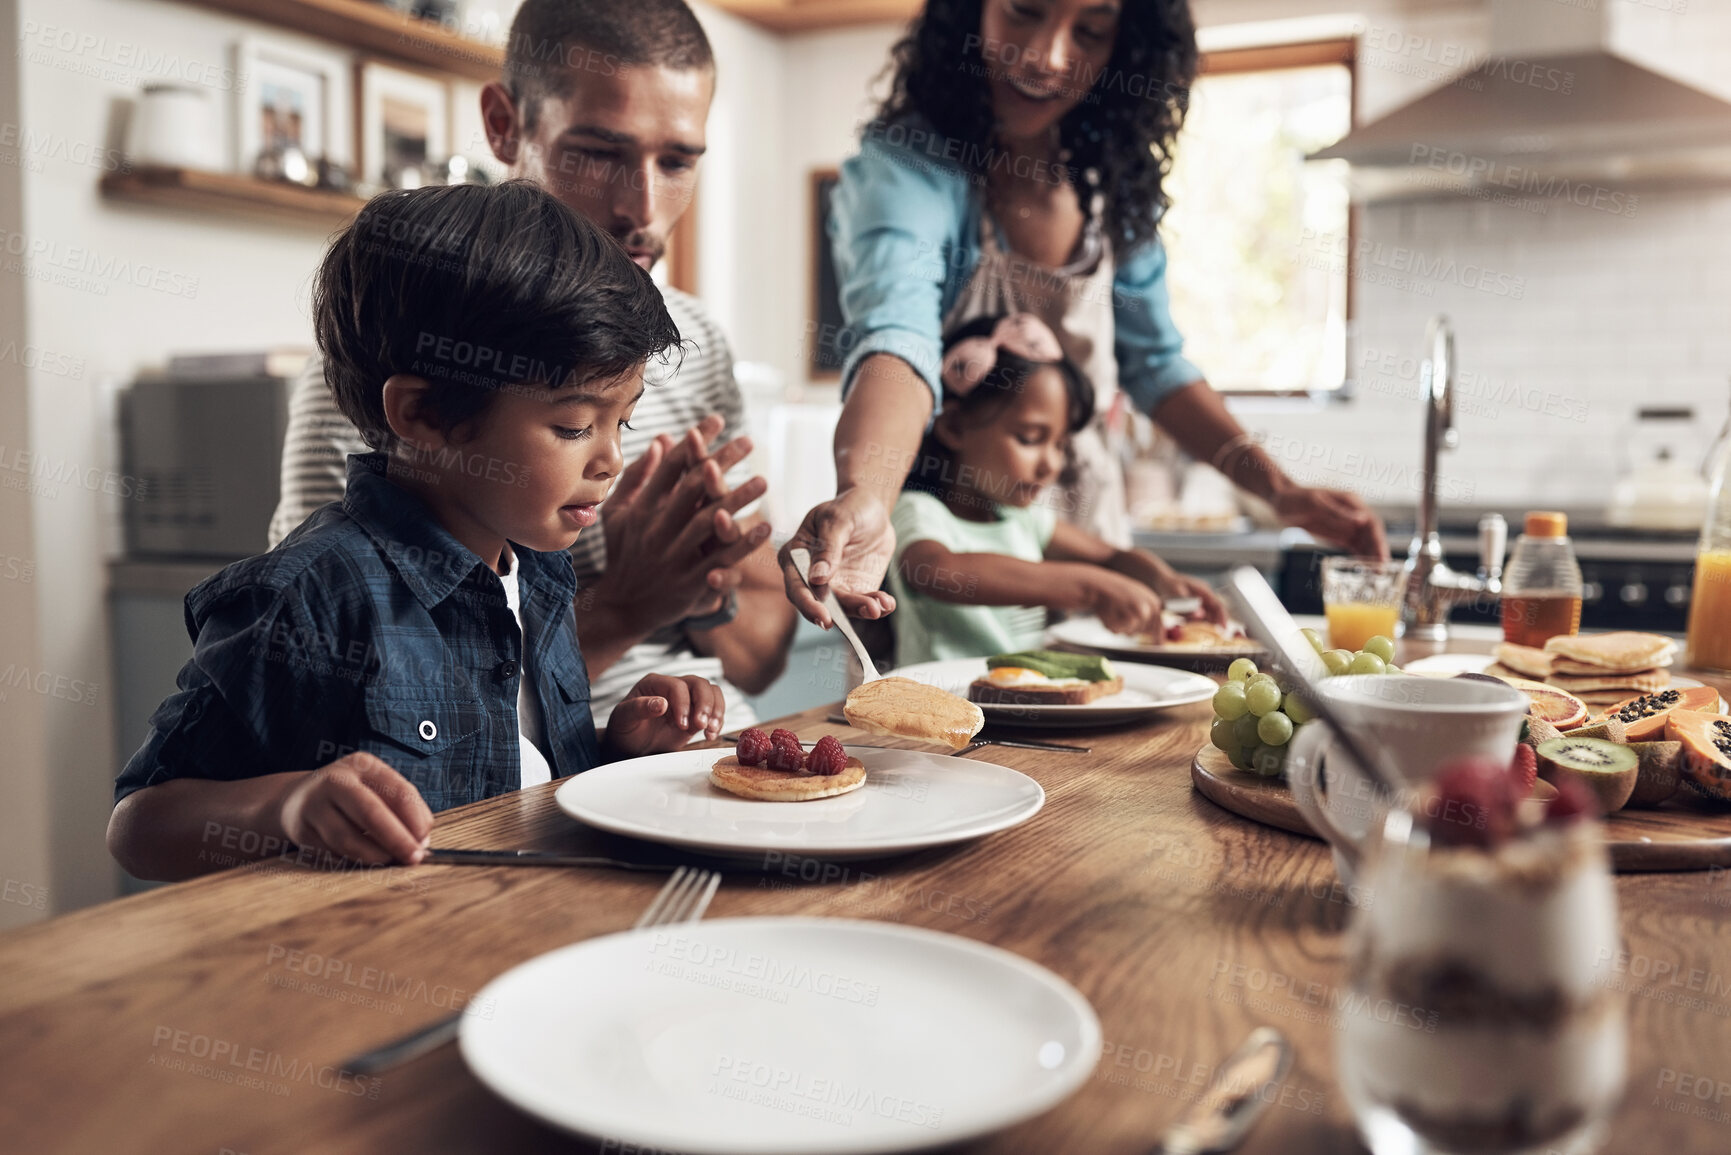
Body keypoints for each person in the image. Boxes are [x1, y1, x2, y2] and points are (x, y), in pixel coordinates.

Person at [108, 182, 726, 882]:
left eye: (625, 420)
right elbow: (139, 826)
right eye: (574, 426)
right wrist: (283, 807)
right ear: (423, 414)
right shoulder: (314, 594)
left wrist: (619, 751)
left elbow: (523, 776)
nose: (611, 457)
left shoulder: (537, 567)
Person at [780, 0, 1388, 628]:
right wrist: (867, 496)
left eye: (1091, 32)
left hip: (1085, 541)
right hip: (955, 569)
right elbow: (897, 338)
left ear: (1126, 50)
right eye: (1023, 11)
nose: (1047, 56)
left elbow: (1157, 367)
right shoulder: (910, 165)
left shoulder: (1112, 190)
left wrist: (1278, 491)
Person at [269, 0, 794, 726]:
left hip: (693, 737)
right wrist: (629, 603)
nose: (641, 205)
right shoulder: (407, 353)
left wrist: (695, 580)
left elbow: (762, 653)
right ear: (504, 125)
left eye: (676, 161)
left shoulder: (692, 339)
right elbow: (348, 685)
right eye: (600, 153)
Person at [889, 313, 1225, 665]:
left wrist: (1162, 578)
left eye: (1060, 445)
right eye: (1030, 439)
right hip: (939, 709)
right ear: (955, 427)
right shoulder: (917, 510)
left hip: (1020, 701)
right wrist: (1091, 588)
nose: (1051, 464)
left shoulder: (1022, 518)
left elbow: (1108, 557)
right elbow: (936, 571)